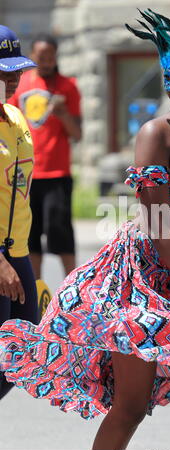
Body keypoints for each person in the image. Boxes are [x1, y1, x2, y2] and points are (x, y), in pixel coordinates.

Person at [0, 10, 170, 450]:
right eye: (168, 76)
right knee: (131, 403)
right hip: (140, 278)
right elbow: (161, 234)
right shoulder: (155, 135)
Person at [8, 34, 82, 279]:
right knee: (29, 234)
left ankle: (73, 290)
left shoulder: (68, 86)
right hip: (24, 173)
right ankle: (36, 288)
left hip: (57, 172)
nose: (47, 62)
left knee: (61, 234)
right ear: (32, 56)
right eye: (42, 57)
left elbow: (78, 134)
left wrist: (63, 114)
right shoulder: (20, 84)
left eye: (51, 57)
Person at [0, 25, 39, 400]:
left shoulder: (15, 117)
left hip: (19, 252)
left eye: (16, 71)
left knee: (24, 352)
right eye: (2, 72)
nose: (12, 79)